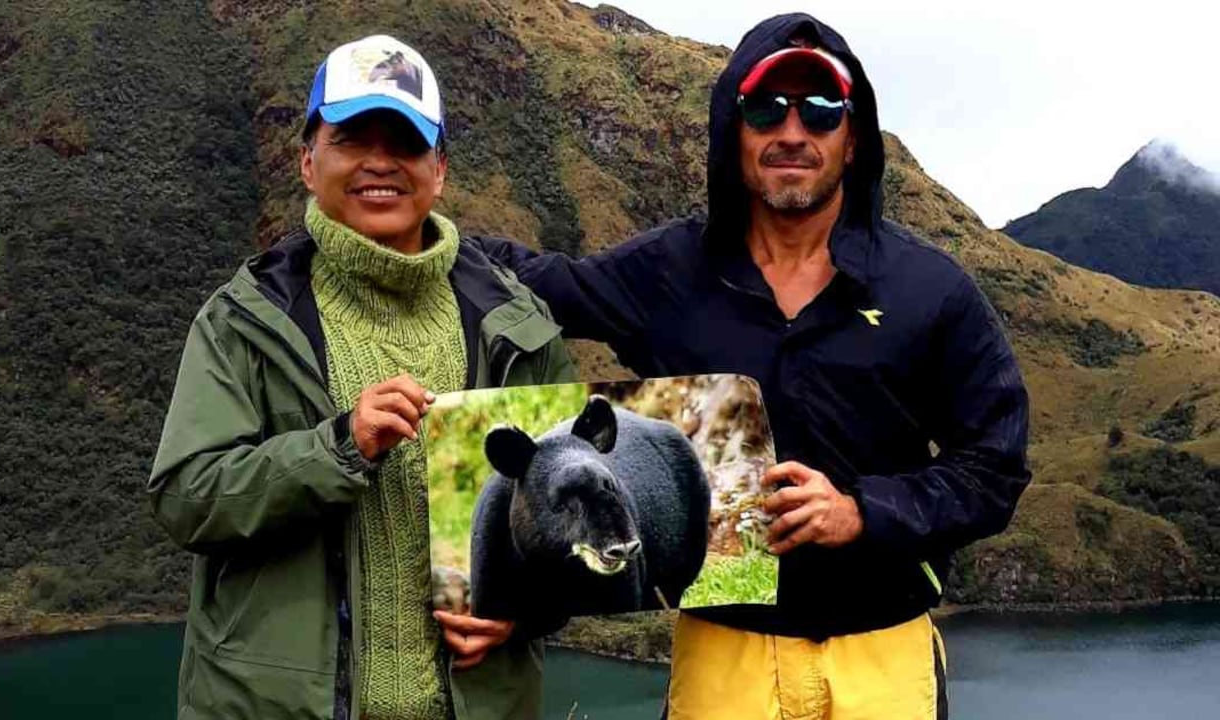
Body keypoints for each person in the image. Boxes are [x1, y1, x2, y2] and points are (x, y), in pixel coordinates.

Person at [473, 12, 1030, 719]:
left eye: (822, 110)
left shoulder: (931, 290)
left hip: (883, 653)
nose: (792, 132)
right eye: (766, 109)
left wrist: (863, 512)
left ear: (853, 139)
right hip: (723, 654)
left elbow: (996, 467)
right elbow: (541, 285)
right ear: (732, 134)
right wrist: (413, 217)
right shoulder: (669, 273)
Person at [148, 34, 573, 720]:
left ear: (438, 168)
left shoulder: (518, 327)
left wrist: (526, 612)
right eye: (351, 139)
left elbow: (560, 516)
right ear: (309, 161)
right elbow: (186, 496)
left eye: (404, 142)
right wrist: (339, 446)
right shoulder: (244, 321)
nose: (380, 162)